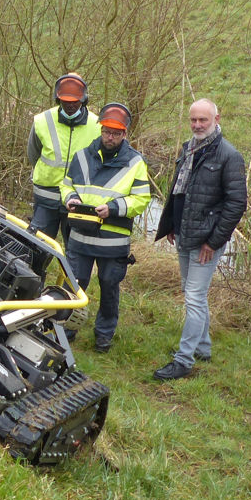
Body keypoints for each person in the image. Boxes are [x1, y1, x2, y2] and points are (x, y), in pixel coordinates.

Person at [152, 99, 247, 381]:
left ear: (217, 118)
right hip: (183, 232)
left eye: (203, 120)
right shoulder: (189, 147)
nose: (197, 125)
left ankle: (184, 360)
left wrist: (214, 242)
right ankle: (202, 348)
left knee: (193, 297)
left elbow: (236, 204)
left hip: (206, 240)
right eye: (193, 120)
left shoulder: (230, 156)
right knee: (190, 291)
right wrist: (171, 225)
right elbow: (178, 192)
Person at [61, 103, 151, 352]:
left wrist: (113, 208)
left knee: (109, 285)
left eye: (116, 133)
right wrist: (69, 199)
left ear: (124, 134)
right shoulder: (81, 156)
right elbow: (66, 185)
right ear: (101, 130)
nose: (110, 137)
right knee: (74, 284)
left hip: (113, 240)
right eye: (106, 132)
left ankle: (103, 334)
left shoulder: (135, 162)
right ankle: (67, 327)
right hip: (80, 236)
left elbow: (142, 198)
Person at [26, 73, 101, 241]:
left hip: (78, 199)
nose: (70, 106)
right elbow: (33, 154)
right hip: (46, 197)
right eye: (65, 101)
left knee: (74, 252)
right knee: (37, 247)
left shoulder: (97, 126)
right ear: (57, 99)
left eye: (74, 102)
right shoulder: (42, 121)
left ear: (83, 100)